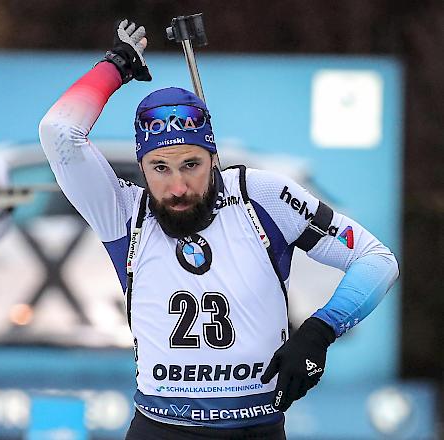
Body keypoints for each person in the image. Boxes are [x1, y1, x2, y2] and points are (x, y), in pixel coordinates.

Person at [39, 20, 399, 439]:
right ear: (141, 167)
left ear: (213, 158)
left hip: (255, 429)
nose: (177, 187)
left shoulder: (261, 196)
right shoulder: (121, 211)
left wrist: (319, 332)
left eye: (191, 164)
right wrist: (118, 65)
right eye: (160, 168)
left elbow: (376, 260)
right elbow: (59, 131)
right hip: (161, 429)